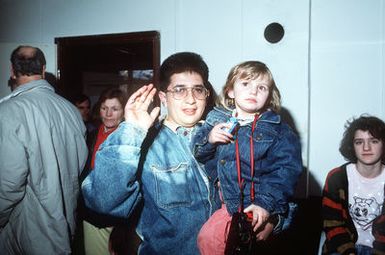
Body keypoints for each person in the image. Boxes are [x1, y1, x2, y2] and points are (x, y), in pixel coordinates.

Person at [82, 52, 222, 254]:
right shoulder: (147, 144)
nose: (191, 99)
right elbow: (102, 202)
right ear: (163, 97)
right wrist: (132, 131)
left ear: (206, 95)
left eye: (197, 90)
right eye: (180, 90)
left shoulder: (223, 136)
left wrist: (274, 219)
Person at [192, 60, 303, 254]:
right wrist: (209, 140)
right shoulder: (215, 119)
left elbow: (285, 172)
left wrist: (265, 204)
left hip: (259, 204)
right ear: (230, 91)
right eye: (245, 84)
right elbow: (198, 153)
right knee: (208, 239)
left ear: (269, 96)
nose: (253, 91)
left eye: (261, 87)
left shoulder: (279, 130)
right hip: (226, 204)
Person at [0, 45, 88, 254]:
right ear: (43, 69)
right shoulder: (70, 110)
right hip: (66, 225)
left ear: (12, 71)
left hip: (26, 233)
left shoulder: (8, 112)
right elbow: (79, 166)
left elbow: (7, 185)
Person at [321, 115, 385, 255]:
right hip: (342, 248)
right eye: (359, 142)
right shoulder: (337, 178)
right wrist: (349, 252)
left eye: (374, 141)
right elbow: (332, 224)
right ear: (352, 146)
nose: (366, 147)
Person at [79, 88, 130, 255]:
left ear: (124, 112)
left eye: (114, 109)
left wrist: (122, 226)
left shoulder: (129, 139)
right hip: (92, 213)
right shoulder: (91, 134)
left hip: (117, 216)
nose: (108, 114)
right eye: (104, 108)